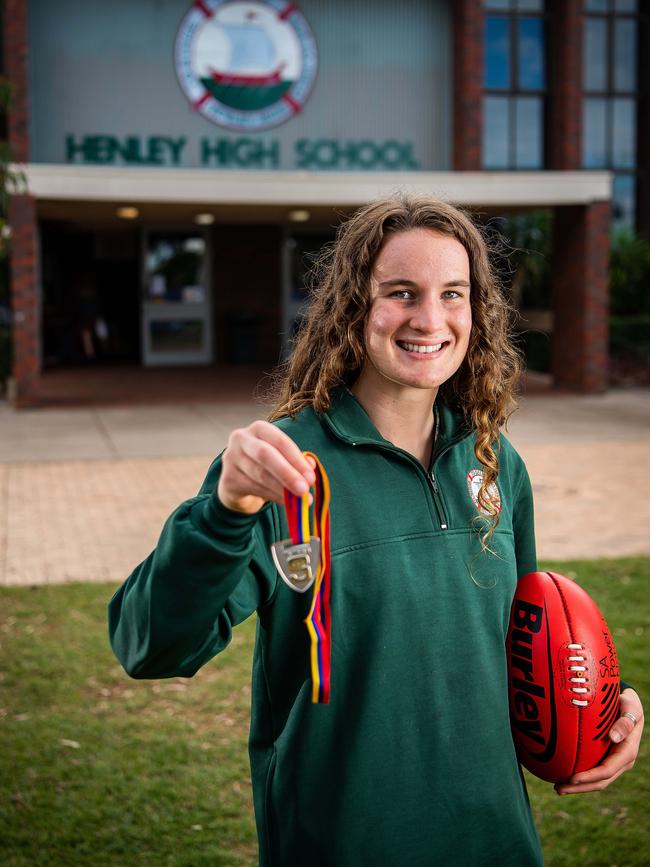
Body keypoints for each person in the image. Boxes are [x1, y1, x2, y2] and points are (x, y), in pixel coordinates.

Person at [109, 196, 643, 866]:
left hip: (496, 842)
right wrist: (225, 507)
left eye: (453, 293)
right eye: (401, 293)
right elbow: (150, 644)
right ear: (354, 306)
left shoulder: (494, 461)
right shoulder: (284, 468)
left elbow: (522, 649)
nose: (430, 318)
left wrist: (600, 712)